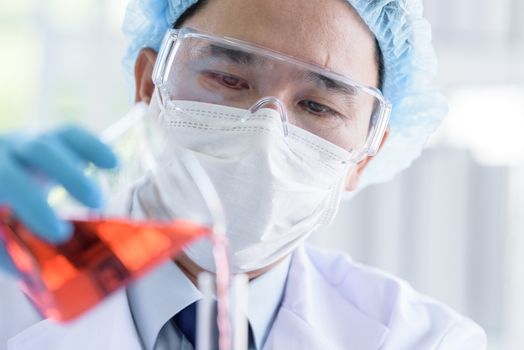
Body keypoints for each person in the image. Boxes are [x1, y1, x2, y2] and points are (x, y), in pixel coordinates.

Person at [0, 0, 487, 349]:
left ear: (363, 157)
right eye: (228, 78)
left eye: (317, 106)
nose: (265, 132)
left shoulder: (422, 340)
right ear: (149, 84)